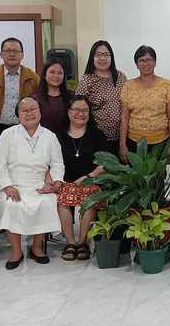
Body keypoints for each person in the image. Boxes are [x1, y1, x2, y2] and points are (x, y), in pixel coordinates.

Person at [0, 97, 65, 270]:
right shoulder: (7, 134)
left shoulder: (50, 136)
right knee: (11, 204)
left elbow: (57, 163)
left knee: (46, 202)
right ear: (18, 115)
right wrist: (8, 186)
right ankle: (16, 251)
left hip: (39, 183)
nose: (29, 113)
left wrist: (55, 182)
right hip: (13, 183)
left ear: (40, 113)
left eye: (33, 109)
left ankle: (37, 247)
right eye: (24, 111)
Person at [56, 96, 108, 261]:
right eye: (77, 110)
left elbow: (105, 163)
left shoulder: (97, 134)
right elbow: (49, 161)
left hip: (91, 179)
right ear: (69, 113)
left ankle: (83, 242)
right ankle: (70, 243)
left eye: (85, 110)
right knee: (63, 198)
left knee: (91, 196)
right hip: (65, 181)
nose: (81, 113)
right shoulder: (58, 135)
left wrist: (89, 177)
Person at [119, 45, 170, 162]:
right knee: (136, 179)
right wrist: (122, 144)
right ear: (136, 64)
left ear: (155, 62)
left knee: (157, 179)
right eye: (142, 60)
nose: (146, 63)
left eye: (149, 60)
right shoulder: (128, 86)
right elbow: (124, 118)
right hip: (134, 142)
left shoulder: (166, 85)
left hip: (160, 143)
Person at [0, 37, 40, 146]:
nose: (12, 54)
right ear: (1, 54)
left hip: (25, 128)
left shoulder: (32, 77)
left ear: (22, 55)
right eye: (7, 51)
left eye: (16, 51)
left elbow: (39, 103)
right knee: (0, 161)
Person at [76, 40, 127, 155]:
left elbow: (127, 105)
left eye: (106, 55)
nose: (102, 58)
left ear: (111, 57)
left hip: (122, 137)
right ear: (92, 57)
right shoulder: (87, 80)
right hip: (97, 138)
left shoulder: (121, 77)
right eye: (98, 55)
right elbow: (79, 108)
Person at [35, 58, 71, 133]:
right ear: (44, 75)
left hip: (65, 141)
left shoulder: (71, 97)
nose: (56, 76)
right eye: (52, 72)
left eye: (60, 73)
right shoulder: (35, 98)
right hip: (43, 140)